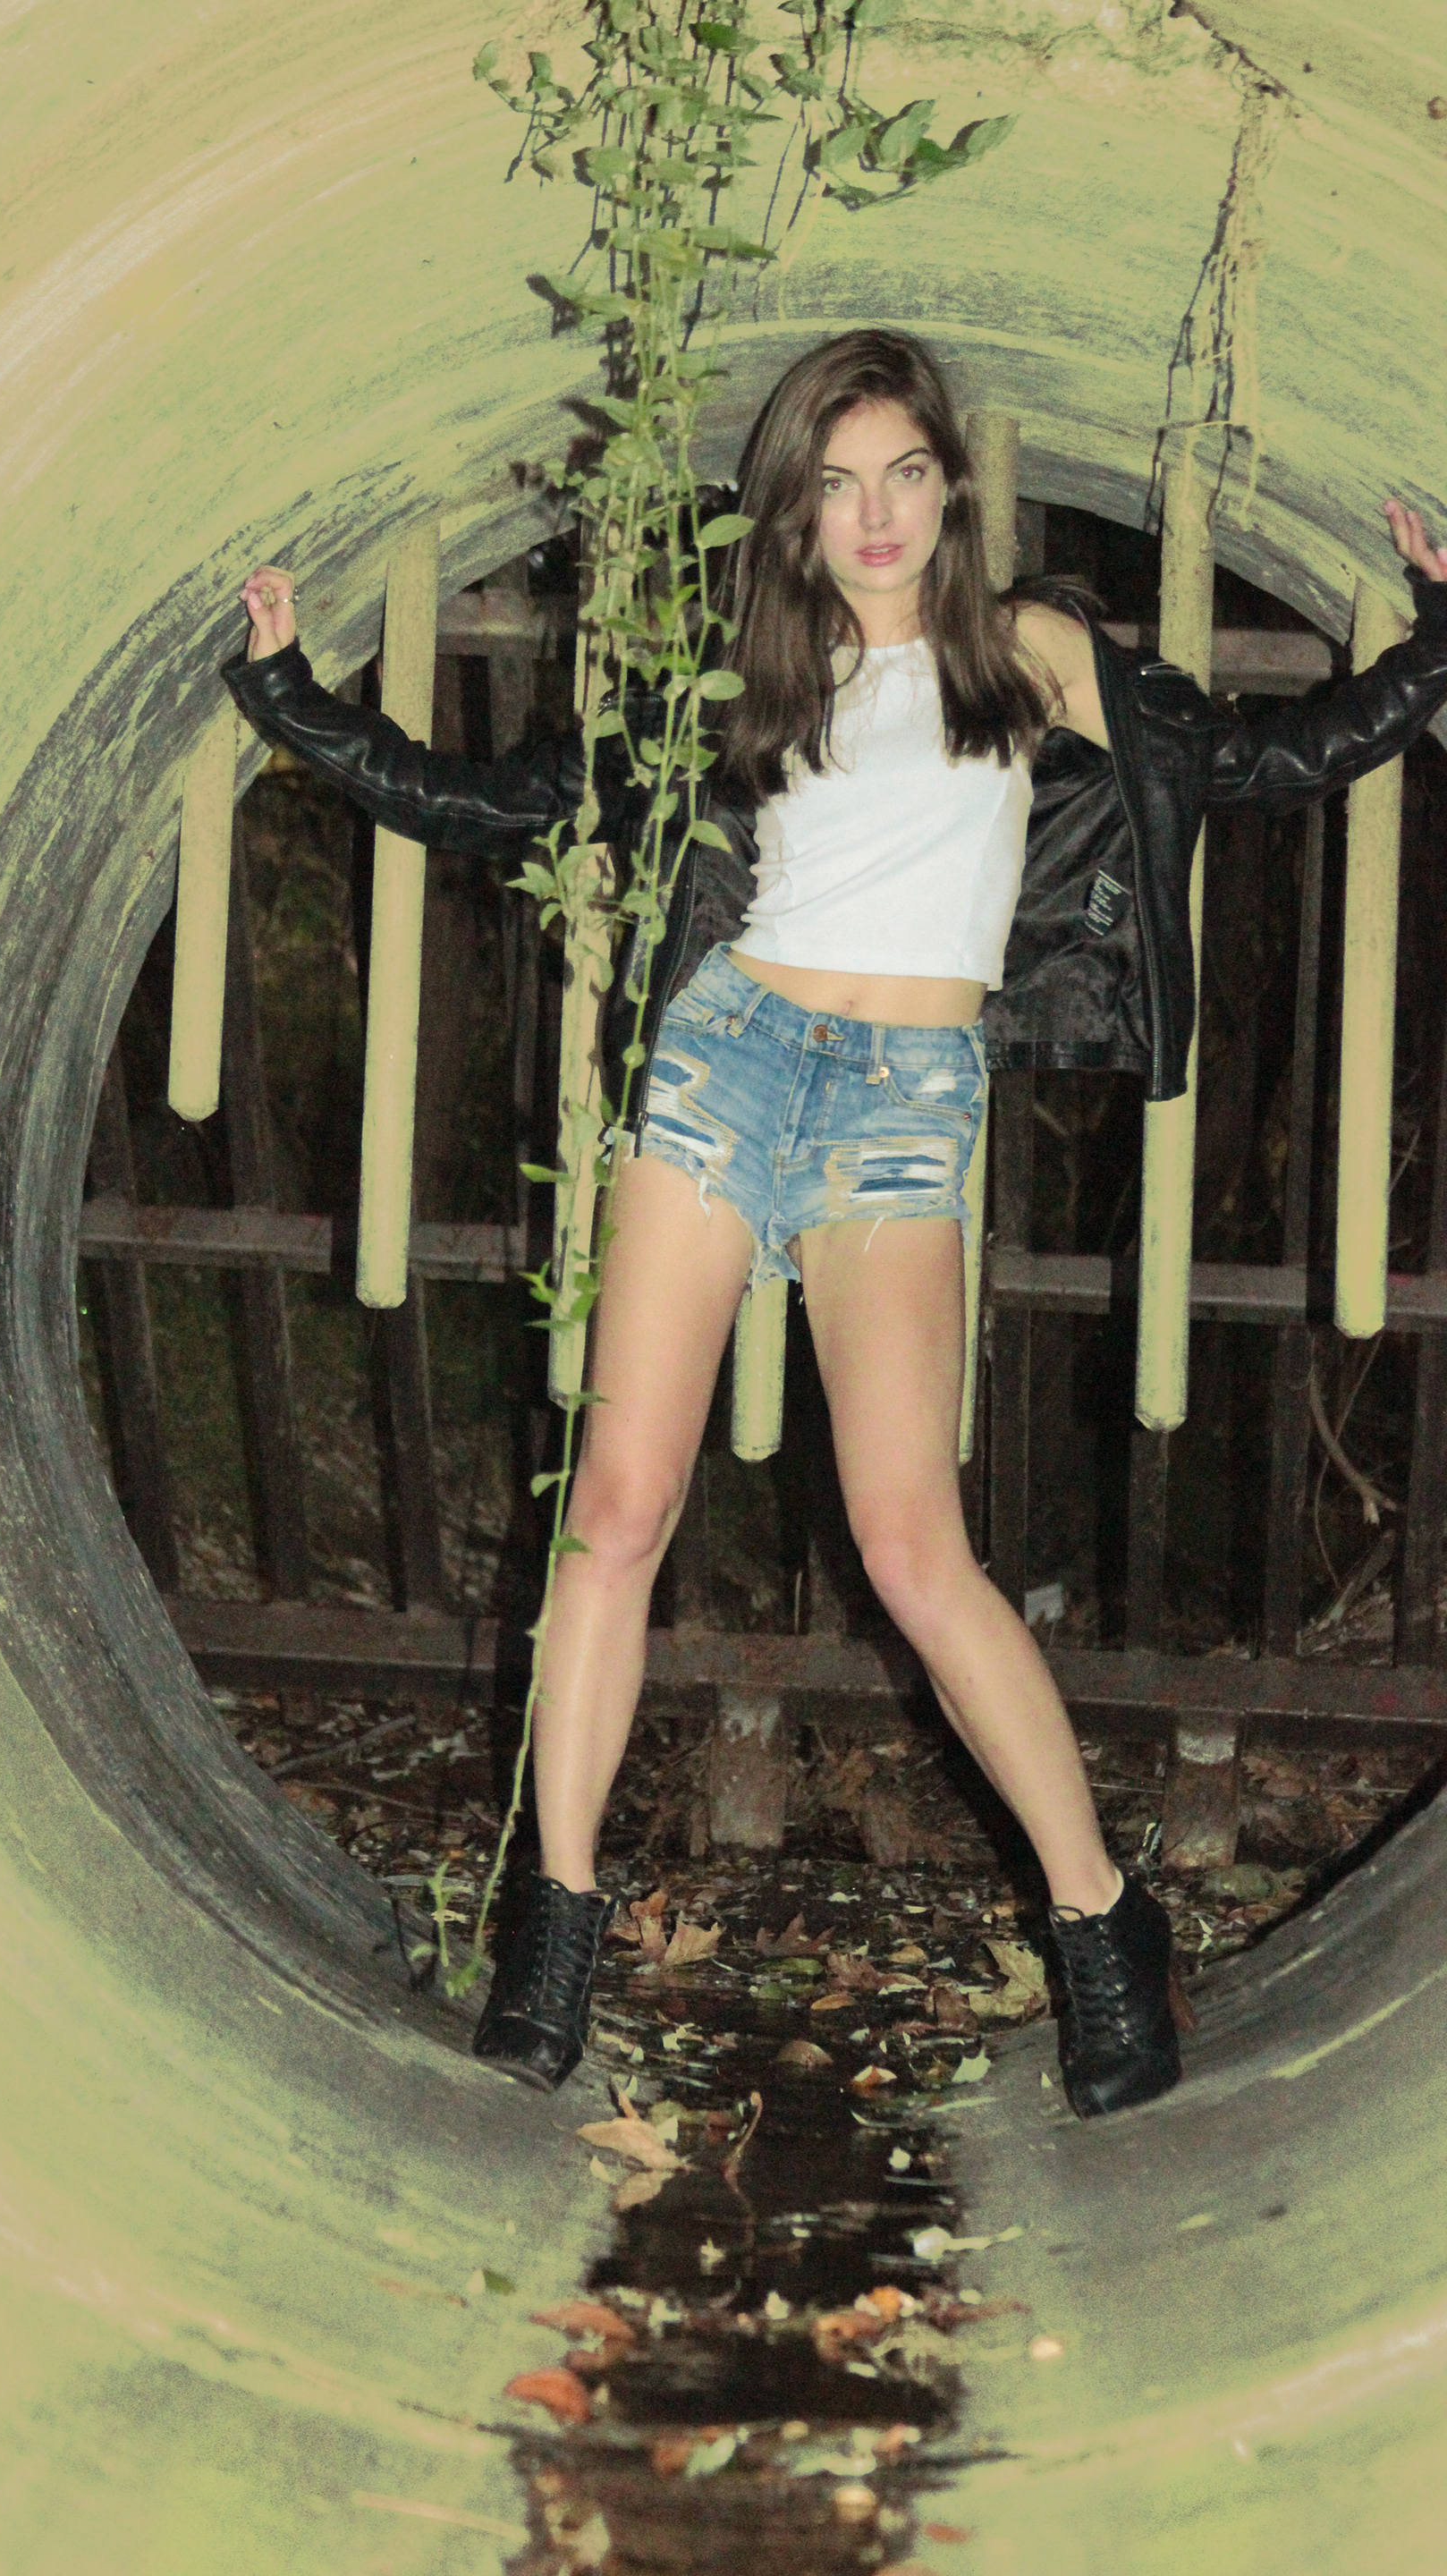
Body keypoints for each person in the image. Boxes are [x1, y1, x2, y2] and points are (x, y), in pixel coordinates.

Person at [224, 330, 1447, 2118]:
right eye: (835, 484)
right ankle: (553, 1926)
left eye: (904, 475)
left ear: (953, 487)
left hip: (901, 1104)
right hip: (725, 1064)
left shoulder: (1031, 657)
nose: (874, 516)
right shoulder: (745, 680)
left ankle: (1103, 1923)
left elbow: (1266, 761)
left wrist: (1434, 646)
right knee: (618, 1507)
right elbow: (512, 804)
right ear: (791, 512)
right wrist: (293, 697)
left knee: (911, 1549)